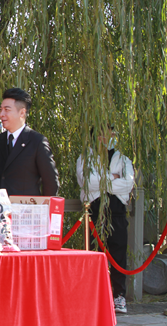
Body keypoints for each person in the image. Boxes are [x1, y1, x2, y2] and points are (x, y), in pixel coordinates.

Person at [77, 126, 134, 314]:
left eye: (113, 133)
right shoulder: (85, 158)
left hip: (117, 213)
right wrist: (114, 178)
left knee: (118, 255)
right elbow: (87, 182)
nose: (112, 137)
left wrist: (102, 181)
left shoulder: (123, 160)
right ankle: (95, 296)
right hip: (94, 214)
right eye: (107, 134)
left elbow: (128, 183)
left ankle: (119, 296)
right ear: (97, 137)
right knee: (94, 255)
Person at [0, 88, 59, 196]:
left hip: (27, 205)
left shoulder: (37, 141)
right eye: (1, 109)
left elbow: (51, 181)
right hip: (1, 205)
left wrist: (43, 205)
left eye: (7, 110)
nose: (1, 114)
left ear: (22, 112)